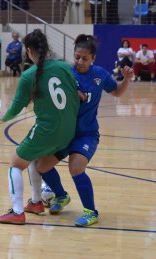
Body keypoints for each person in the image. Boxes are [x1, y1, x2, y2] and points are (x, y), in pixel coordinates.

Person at [24, 34, 134, 227]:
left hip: (86, 134)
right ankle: (61, 196)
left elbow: (117, 92)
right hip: (63, 133)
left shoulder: (100, 74)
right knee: (41, 166)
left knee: (75, 168)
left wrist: (126, 80)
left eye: (85, 58)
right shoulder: (65, 72)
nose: (79, 61)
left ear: (93, 58)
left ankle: (91, 212)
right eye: (77, 57)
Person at [0, 29, 80, 225]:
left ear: (28, 50)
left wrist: (3, 117)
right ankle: (35, 202)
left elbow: (15, 108)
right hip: (68, 131)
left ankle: (17, 213)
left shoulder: (29, 75)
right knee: (33, 159)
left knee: (15, 164)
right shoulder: (64, 67)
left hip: (48, 131)